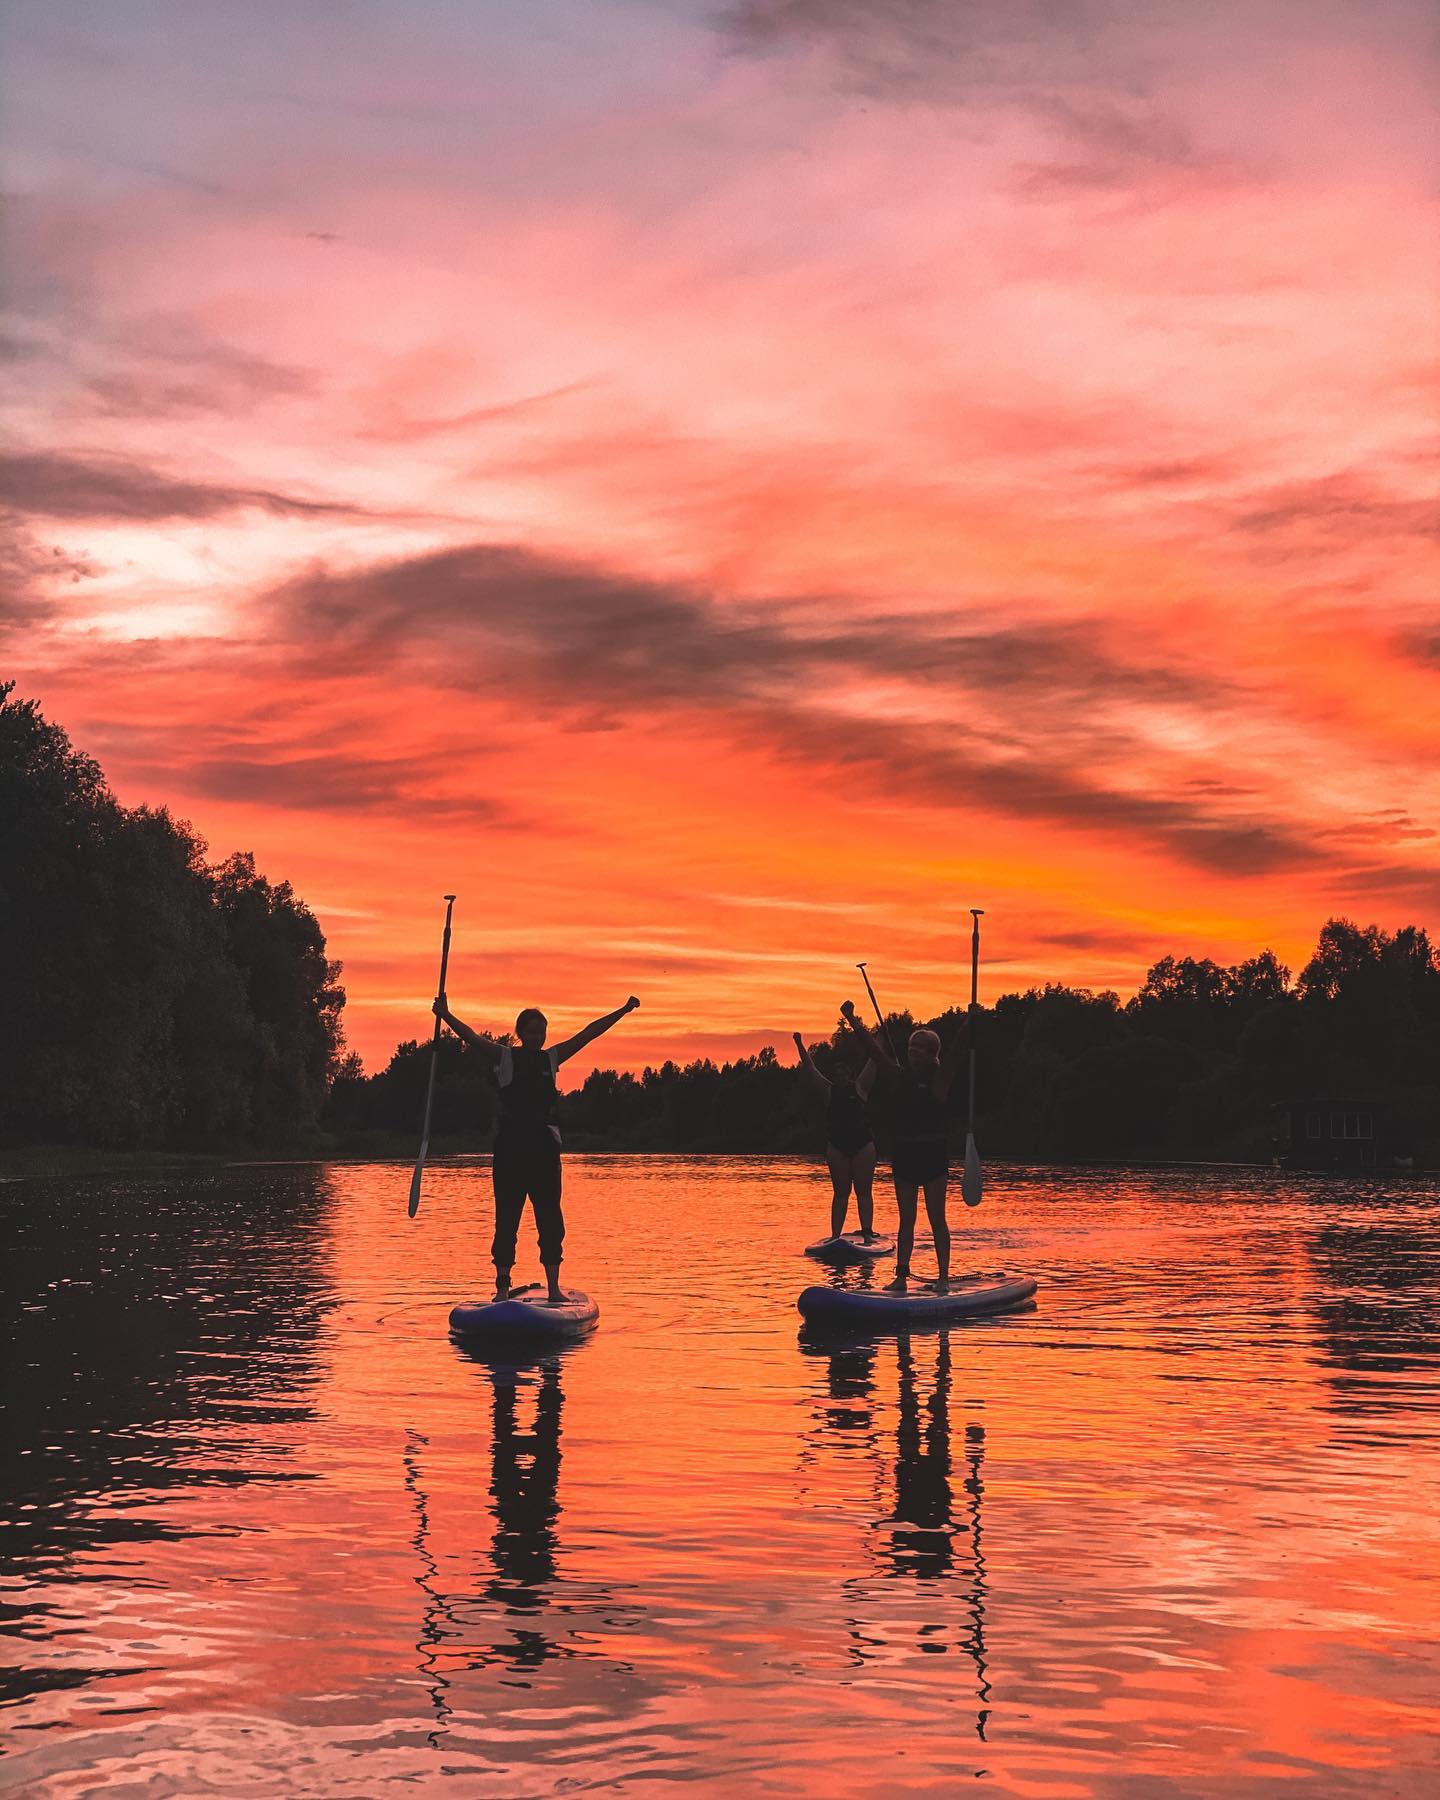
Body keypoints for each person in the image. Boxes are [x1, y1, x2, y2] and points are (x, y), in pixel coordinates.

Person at [433, 992, 639, 1303]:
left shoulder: (551, 1059)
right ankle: (502, 1289)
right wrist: (446, 1015)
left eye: (542, 1032)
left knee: (550, 1220)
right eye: (532, 1031)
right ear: (520, 1033)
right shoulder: (504, 1057)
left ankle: (553, 1288)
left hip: (544, 1152)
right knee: (507, 1221)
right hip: (510, 1152)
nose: (537, 1037)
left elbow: (588, 1034)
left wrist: (622, 1011)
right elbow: (472, 1038)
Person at [839, 1000, 967, 1293]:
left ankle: (944, 1277)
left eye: (919, 1049)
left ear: (932, 1054)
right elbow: (873, 1050)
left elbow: (957, 1054)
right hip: (906, 1156)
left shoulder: (940, 1080)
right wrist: (853, 1020)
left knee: (937, 1219)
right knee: (906, 1220)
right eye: (911, 1047)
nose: (913, 1052)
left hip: (933, 1155)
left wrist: (968, 1023)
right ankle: (901, 1276)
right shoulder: (898, 1076)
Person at [792, 1031, 879, 1241]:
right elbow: (811, 1068)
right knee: (841, 1193)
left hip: (862, 1145)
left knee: (863, 1191)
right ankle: (835, 1236)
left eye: (843, 1075)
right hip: (837, 1146)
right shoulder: (828, 1091)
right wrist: (799, 1043)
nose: (840, 1078)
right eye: (836, 1075)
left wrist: (880, 1041)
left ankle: (867, 1231)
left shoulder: (860, 1087)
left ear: (849, 1075)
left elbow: (875, 1060)